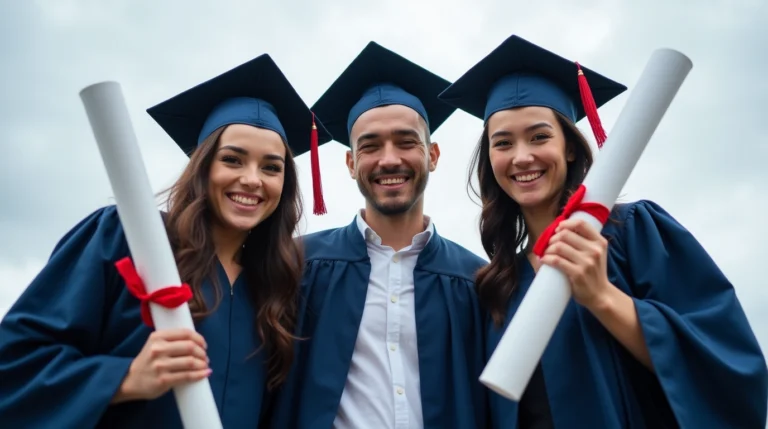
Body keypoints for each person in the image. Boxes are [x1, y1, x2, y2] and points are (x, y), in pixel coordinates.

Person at [438, 34, 768, 428]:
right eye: (503, 143)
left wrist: (602, 296)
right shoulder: (498, 285)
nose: (522, 156)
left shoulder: (633, 233)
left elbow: (727, 364)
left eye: (540, 136)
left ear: (570, 147)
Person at [0, 54, 333, 428]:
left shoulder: (277, 286)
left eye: (271, 167)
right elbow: (13, 361)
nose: (253, 179)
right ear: (202, 167)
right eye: (233, 160)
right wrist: (123, 379)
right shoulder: (127, 238)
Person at [267, 41, 489, 429]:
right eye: (370, 147)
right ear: (351, 163)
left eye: (406, 142)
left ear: (433, 155)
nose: (389, 159)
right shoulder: (298, 264)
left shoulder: (477, 281)